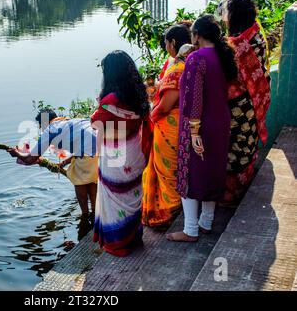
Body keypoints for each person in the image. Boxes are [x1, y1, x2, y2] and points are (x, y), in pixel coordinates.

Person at [167, 15, 238, 242]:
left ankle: (190, 230)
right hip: (221, 121)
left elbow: (194, 98)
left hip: (199, 124)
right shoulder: (223, 55)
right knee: (212, 171)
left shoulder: (197, 59)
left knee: (191, 173)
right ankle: (205, 222)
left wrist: (193, 130)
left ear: (196, 35)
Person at [91, 50, 152, 256]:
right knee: (132, 192)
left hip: (116, 157)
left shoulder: (110, 99)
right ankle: (134, 236)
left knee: (114, 196)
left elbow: (96, 123)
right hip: (135, 153)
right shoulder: (138, 92)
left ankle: (118, 244)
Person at [221, 0, 271, 206]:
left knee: (234, 150)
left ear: (233, 15)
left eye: (224, 11)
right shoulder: (256, 32)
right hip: (252, 103)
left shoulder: (236, 45)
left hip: (236, 107)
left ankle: (230, 196)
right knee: (246, 145)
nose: (222, 15)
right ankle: (242, 186)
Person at [142, 24, 192, 229]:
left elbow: (165, 105)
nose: (165, 46)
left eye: (166, 42)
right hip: (180, 123)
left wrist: (149, 117)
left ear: (172, 43)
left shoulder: (177, 69)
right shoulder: (187, 62)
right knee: (175, 169)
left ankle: (170, 213)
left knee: (168, 172)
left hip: (170, 126)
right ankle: (175, 209)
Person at [7, 108, 98, 219]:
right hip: (104, 148)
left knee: (78, 179)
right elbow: (83, 147)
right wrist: (64, 162)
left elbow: (30, 159)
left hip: (90, 150)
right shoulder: (73, 121)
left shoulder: (50, 129)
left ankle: (85, 214)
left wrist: (16, 154)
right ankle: (95, 212)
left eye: (40, 125)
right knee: (92, 180)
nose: (41, 128)